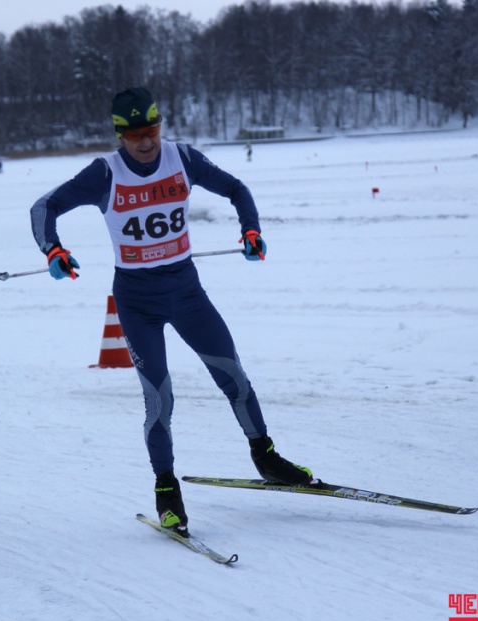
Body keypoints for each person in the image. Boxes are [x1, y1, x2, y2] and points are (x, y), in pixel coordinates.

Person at [30, 87, 313, 536]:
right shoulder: (105, 173)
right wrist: (53, 250)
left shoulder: (182, 159)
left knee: (233, 376)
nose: (145, 142)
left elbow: (236, 189)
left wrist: (251, 231)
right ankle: (166, 489)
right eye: (134, 134)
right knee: (160, 399)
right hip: (136, 303)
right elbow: (44, 207)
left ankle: (266, 457)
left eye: (152, 130)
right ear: (119, 134)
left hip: (187, 294)